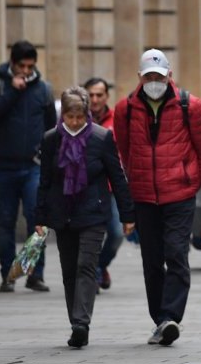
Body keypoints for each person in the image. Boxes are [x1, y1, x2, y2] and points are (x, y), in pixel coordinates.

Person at [114, 49, 201, 346]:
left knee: (176, 254)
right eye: (148, 77)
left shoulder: (191, 106)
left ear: (169, 75)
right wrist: (136, 182)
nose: (153, 82)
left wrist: (190, 181)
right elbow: (124, 149)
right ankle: (160, 320)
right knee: (152, 260)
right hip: (144, 195)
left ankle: (171, 316)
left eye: (158, 76)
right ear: (140, 78)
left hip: (179, 194)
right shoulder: (126, 109)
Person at [34, 87, 135, 349]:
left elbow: (117, 178)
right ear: (63, 115)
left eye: (80, 117)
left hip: (93, 211)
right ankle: (75, 322)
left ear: (87, 114)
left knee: (86, 266)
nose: (76, 122)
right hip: (62, 212)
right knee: (69, 269)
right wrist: (40, 216)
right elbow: (44, 181)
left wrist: (127, 215)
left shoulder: (101, 138)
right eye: (70, 117)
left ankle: (82, 322)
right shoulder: (51, 139)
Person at [0, 40, 56, 292]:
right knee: (5, 220)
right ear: (12, 64)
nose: (26, 71)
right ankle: (9, 275)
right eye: (22, 66)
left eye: (30, 66)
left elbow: (51, 128)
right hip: (2, 166)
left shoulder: (43, 90)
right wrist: (13, 91)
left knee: (37, 219)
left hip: (33, 165)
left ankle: (34, 273)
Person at [84, 77, 122, 289]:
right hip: (86, 189)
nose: (95, 99)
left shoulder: (117, 119)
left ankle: (100, 265)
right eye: (91, 95)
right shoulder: (76, 119)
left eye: (99, 95)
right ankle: (91, 273)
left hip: (111, 188)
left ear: (107, 96)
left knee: (116, 233)